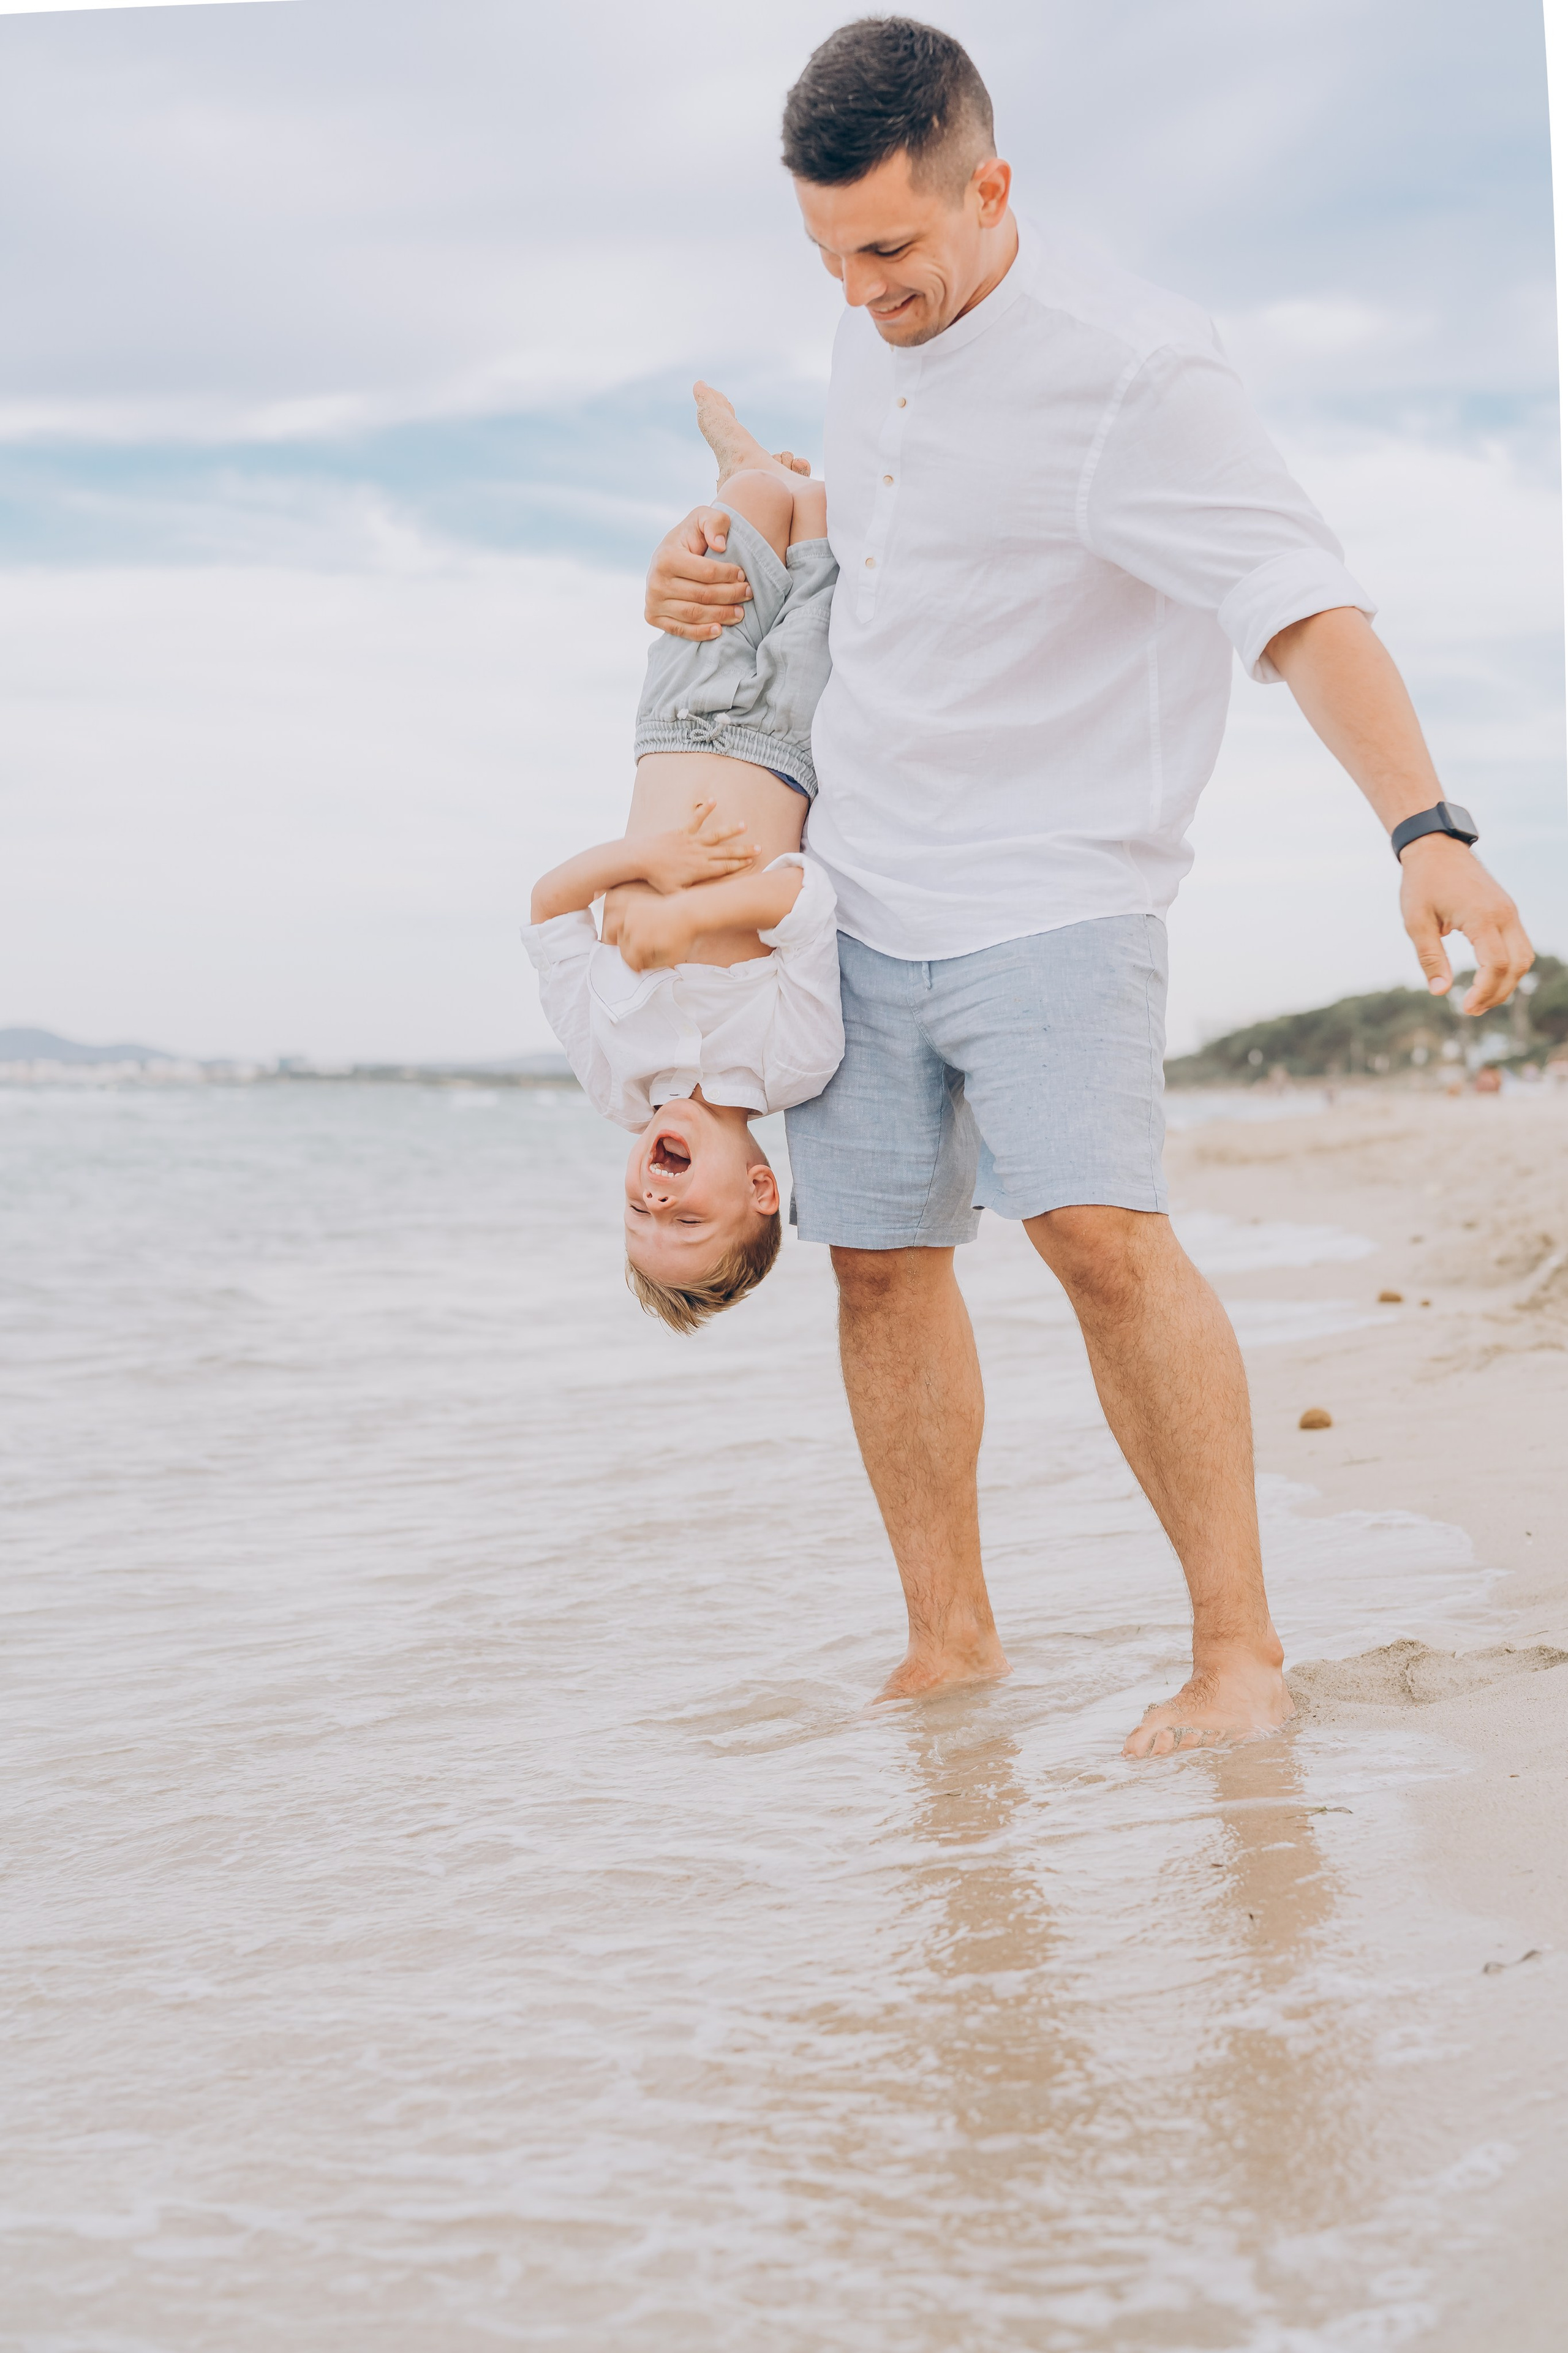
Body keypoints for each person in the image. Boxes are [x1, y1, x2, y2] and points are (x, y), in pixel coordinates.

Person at [643, 18, 1536, 1751]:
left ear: (990, 187)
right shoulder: (866, 323)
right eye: (829, 257)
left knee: (1101, 1241)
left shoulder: (1139, 368)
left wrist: (1427, 832)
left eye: (892, 248)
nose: (863, 288)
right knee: (880, 1263)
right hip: (864, 878)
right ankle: (950, 1641)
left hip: (1061, 877)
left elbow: (1303, 602)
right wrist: (726, 545)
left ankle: (1239, 1661)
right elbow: (875, 530)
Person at [526, 442, 843, 1333]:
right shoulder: (794, 1063)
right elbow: (806, 903)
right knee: (819, 522)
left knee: (744, 509)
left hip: (677, 721)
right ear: (760, 1187)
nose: (656, 1199)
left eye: (638, 1215)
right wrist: (698, 911)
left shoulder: (610, 1075)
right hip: (792, 739)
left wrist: (648, 858)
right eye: (689, 1217)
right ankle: (779, 474)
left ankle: (743, 469)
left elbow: (550, 907)